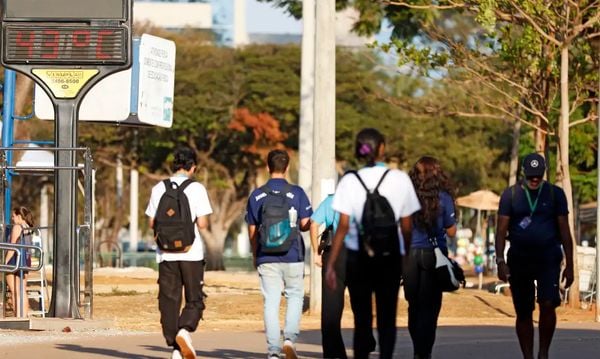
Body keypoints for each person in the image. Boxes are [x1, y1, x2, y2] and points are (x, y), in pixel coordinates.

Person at [325, 128, 421, 359]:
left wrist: (331, 264)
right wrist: (405, 255)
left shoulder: (349, 180)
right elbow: (407, 225)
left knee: (362, 319)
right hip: (389, 256)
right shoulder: (400, 179)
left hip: (358, 257)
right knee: (388, 317)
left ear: (358, 150)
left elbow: (343, 226)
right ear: (382, 148)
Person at [495, 152, 574, 359]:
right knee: (523, 311)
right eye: (531, 176)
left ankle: (543, 352)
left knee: (548, 304)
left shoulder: (555, 194)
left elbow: (565, 230)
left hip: (548, 258)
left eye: (538, 175)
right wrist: (500, 261)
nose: (534, 179)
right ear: (524, 173)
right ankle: (528, 355)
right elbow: (501, 231)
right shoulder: (510, 195)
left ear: (543, 173)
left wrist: (571, 264)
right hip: (519, 260)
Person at [145, 146, 213, 359]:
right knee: (195, 299)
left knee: (169, 301)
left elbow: (151, 223)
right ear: (193, 167)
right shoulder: (197, 188)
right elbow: (202, 224)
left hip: (165, 254)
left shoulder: (159, 188)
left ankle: (175, 348)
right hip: (191, 253)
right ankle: (185, 331)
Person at [246, 149, 312, 359]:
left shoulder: (257, 195)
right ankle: (290, 340)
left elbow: (252, 229)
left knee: (271, 302)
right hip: (293, 255)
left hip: (266, 255)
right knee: (294, 296)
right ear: (287, 167)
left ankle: (274, 351)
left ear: (267, 167)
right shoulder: (298, 193)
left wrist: (255, 254)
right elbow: (304, 224)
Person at [405, 156, 457, 359]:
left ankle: (419, 348)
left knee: (414, 305)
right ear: (437, 173)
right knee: (430, 307)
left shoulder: (406, 197)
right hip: (434, 256)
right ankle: (423, 352)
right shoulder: (443, 197)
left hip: (409, 256)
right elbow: (451, 231)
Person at [309, 190, 350, 359]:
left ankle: (332, 353)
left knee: (331, 308)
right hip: (358, 254)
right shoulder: (364, 200)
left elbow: (313, 223)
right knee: (362, 305)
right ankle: (366, 340)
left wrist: (315, 253)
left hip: (334, 254)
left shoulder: (332, 200)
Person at [5, 206, 34, 317]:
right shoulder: (28, 227)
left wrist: (5, 262)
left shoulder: (17, 227)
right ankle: (23, 315)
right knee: (22, 289)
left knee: (15, 290)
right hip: (25, 258)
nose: (12, 219)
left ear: (19, 216)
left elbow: (12, 246)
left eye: (13, 216)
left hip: (15, 258)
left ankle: (18, 315)